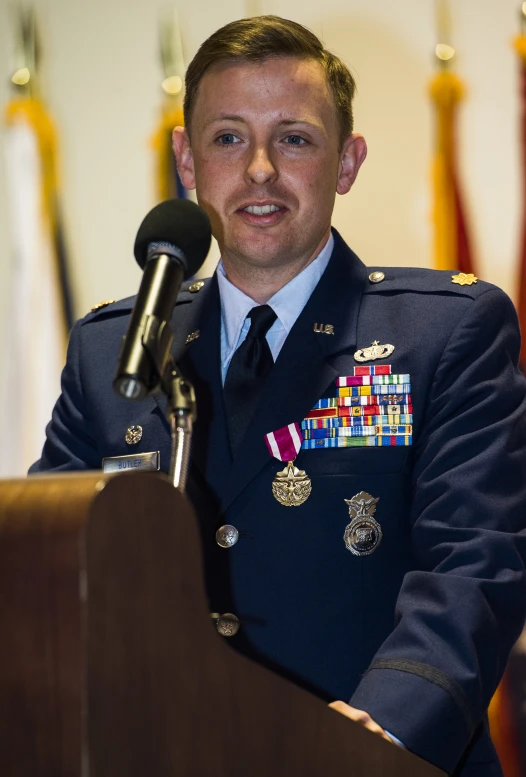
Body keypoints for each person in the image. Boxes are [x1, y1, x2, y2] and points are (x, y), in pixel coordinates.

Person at [31, 16, 526, 776]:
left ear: (348, 161)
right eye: (228, 137)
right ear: (186, 160)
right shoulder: (115, 352)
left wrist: (376, 735)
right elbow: (52, 573)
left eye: (294, 138)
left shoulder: (446, 334)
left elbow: (476, 564)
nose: (259, 169)